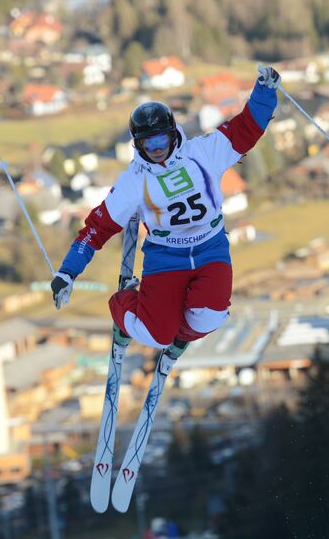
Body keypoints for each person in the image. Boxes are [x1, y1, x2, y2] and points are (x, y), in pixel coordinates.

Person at [51, 65, 281, 362]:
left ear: (173, 134)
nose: (156, 149)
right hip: (166, 257)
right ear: (138, 145)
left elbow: (247, 128)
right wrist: (67, 273)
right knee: (156, 335)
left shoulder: (202, 152)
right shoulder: (134, 181)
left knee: (211, 317)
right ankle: (126, 303)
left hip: (210, 247)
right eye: (148, 144)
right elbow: (95, 230)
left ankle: (179, 334)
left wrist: (265, 90)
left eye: (161, 140)